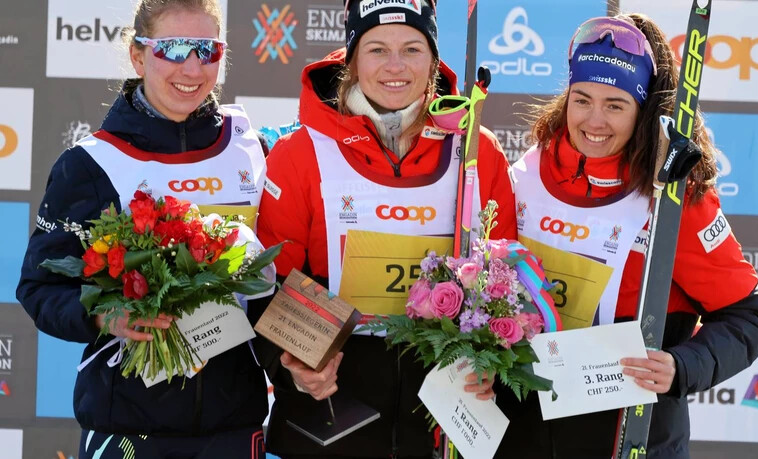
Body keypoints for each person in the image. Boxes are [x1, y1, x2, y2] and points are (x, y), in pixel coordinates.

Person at [496, 13, 758, 458]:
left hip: (630, 438)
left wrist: (682, 366)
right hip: (525, 434)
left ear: (643, 111)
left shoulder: (673, 196)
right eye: (582, 99)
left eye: (615, 105)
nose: (594, 121)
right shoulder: (527, 173)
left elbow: (749, 316)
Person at [254, 0, 517, 457]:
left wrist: (495, 358)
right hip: (329, 418)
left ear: (433, 60)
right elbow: (269, 284)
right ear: (352, 58)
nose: (395, 67)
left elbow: (507, 281)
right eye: (377, 49)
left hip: (438, 423)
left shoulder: (478, 152)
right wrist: (293, 363)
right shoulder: (301, 152)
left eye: (412, 49)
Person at [16, 1, 270, 457]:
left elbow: (274, 280)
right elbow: (40, 288)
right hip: (129, 427)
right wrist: (103, 316)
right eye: (173, 48)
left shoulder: (250, 149)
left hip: (233, 425)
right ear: (138, 56)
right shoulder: (92, 163)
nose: (192, 67)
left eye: (207, 50)